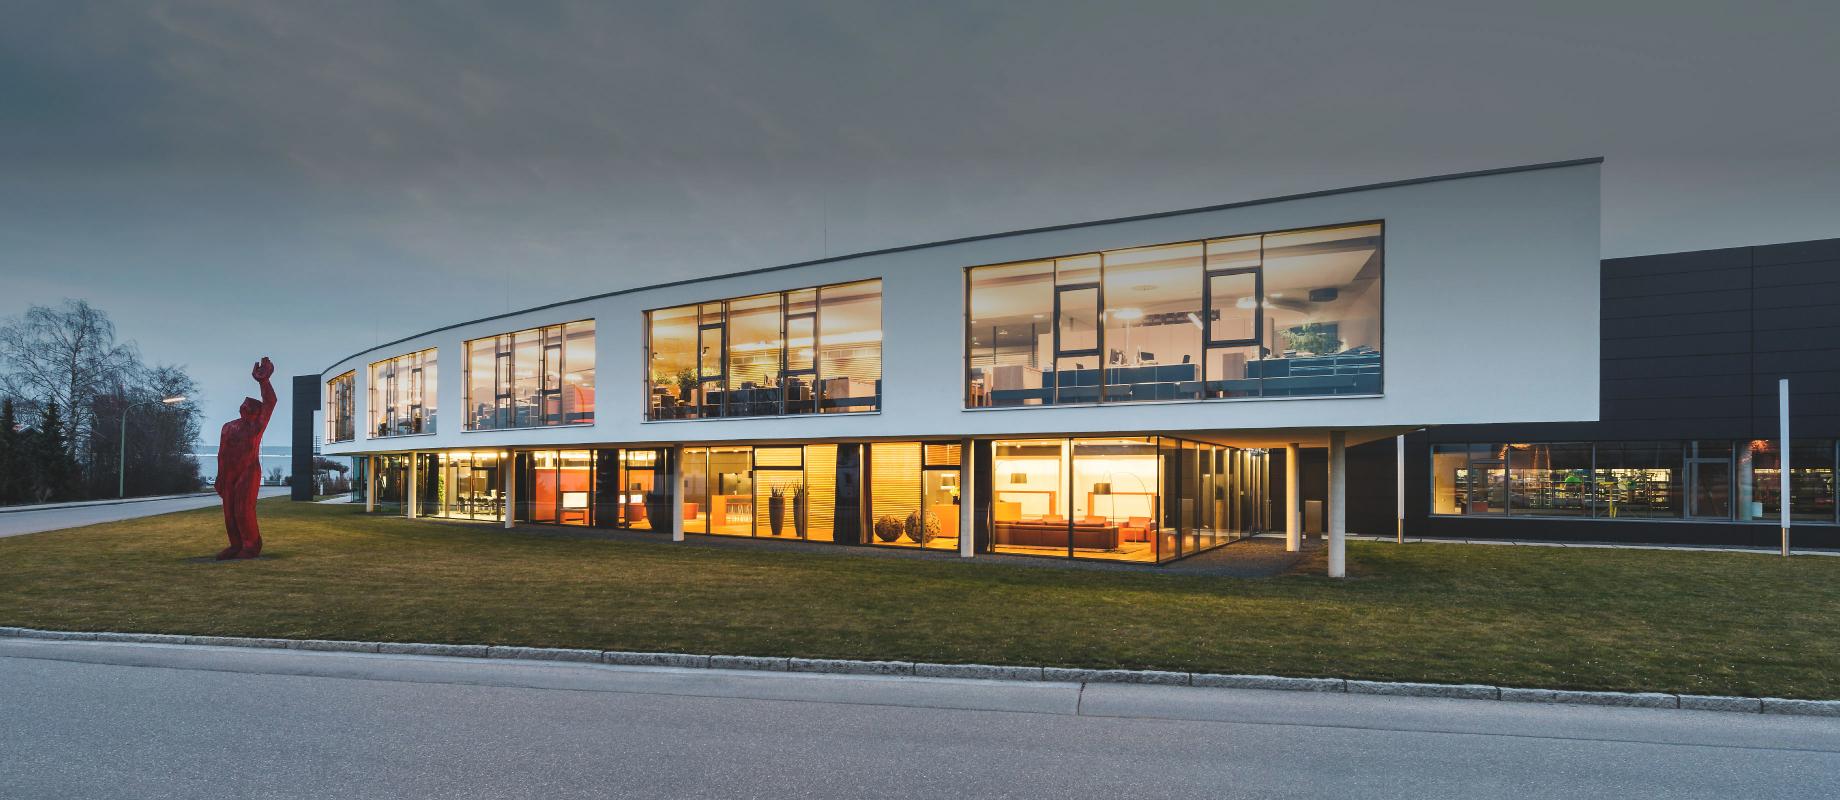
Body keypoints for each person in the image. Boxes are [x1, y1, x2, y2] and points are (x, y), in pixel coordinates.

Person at [216, 357, 275, 559]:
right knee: (229, 512)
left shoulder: (256, 426)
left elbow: (270, 402)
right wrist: (220, 477)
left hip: (249, 471)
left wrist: (264, 381)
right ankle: (235, 544)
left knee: (243, 509)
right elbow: (221, 454)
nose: (247, 409)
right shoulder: (228, 427)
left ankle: (251, 545)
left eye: (253, 409)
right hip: (229, 472)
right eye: (246, 407)